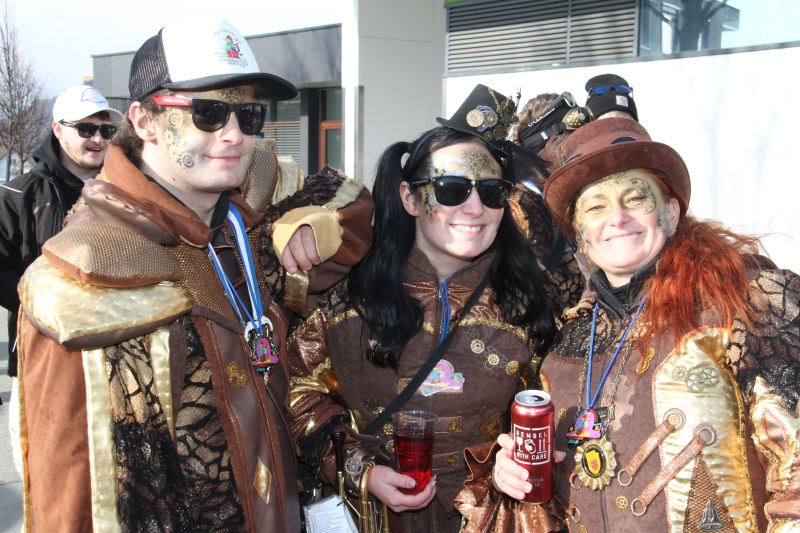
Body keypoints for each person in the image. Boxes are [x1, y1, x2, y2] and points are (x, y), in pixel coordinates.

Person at [15, 18, 372, 532]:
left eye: (249, 114)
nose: (234, 134)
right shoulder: (88, 274)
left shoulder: (246, 213)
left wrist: (315, 223)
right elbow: (70, 499)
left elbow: (354, 201)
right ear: (144, 120)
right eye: (207, 112)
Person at [460, 117, 800, 532]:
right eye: (596, 207)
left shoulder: (742, 301)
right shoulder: (565, 344)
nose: (617, 217)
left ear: (670, 214)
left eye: (636, 198)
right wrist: (508, 473)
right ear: (580, 236)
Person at [287, 85, 557, 532]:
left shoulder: (530, 303)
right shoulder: (348, 294)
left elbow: (553, 405)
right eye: (452, 189)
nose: (475, 208)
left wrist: (512, 461)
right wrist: (360, 470)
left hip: (488, 518)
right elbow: (298, 391)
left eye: (492, 191)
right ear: (410, 197)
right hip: (373, 519)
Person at [0, 85, 122, 378]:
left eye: (106, 130)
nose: (97, 139)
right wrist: (46, 306)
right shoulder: (16, 195)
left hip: (119, 356)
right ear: (58, 130)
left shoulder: (129, 191)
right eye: (85, 129)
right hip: (41, 355)